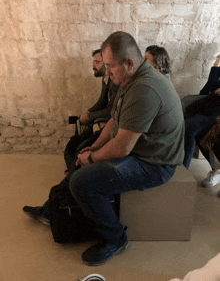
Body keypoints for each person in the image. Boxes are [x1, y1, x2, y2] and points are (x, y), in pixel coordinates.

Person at [23, 31, 185, 265]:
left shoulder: (144, 89)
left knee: (82, 181)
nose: (106, 72)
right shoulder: (131, 79)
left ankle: (116, 239)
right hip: (142, 150)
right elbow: (114, 122)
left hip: (156, 163)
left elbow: (121, 147)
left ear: (129, 62)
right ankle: (53, 207)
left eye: (109, 66)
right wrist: (91, 149)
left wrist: (92, 158)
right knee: (81, 152)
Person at [64, 49, 118, 173]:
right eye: (94, 62)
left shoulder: (115, 81)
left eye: (97, 62)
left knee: (78, 147)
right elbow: (101, 102)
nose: (93, 65)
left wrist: (89, 117)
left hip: (108, 123)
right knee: (73, 146)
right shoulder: (106, 80)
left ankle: (74, 174)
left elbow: (111, 110)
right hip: (104, 120)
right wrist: (87, 113)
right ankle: (73, 171)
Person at [183, 55, 220, 187]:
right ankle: (182, 167)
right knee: (186, 117)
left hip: (216, 113)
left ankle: (183, 168)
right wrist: (217, 62)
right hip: (211, 108)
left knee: (191, 126)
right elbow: (205, 90)